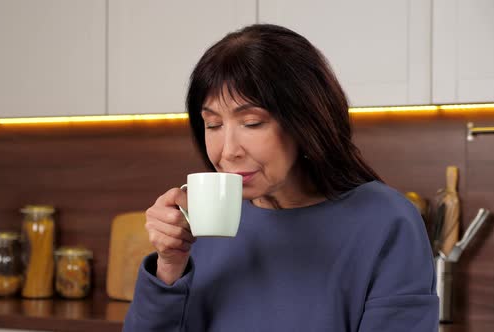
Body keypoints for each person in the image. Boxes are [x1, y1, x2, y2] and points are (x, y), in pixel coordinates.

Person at [123, 24, 438, 331]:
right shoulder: (202, 222)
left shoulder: (386, 222)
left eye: (252, 122)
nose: (228, 151)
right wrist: (169, 266)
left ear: (305, 122)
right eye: (214, 125)